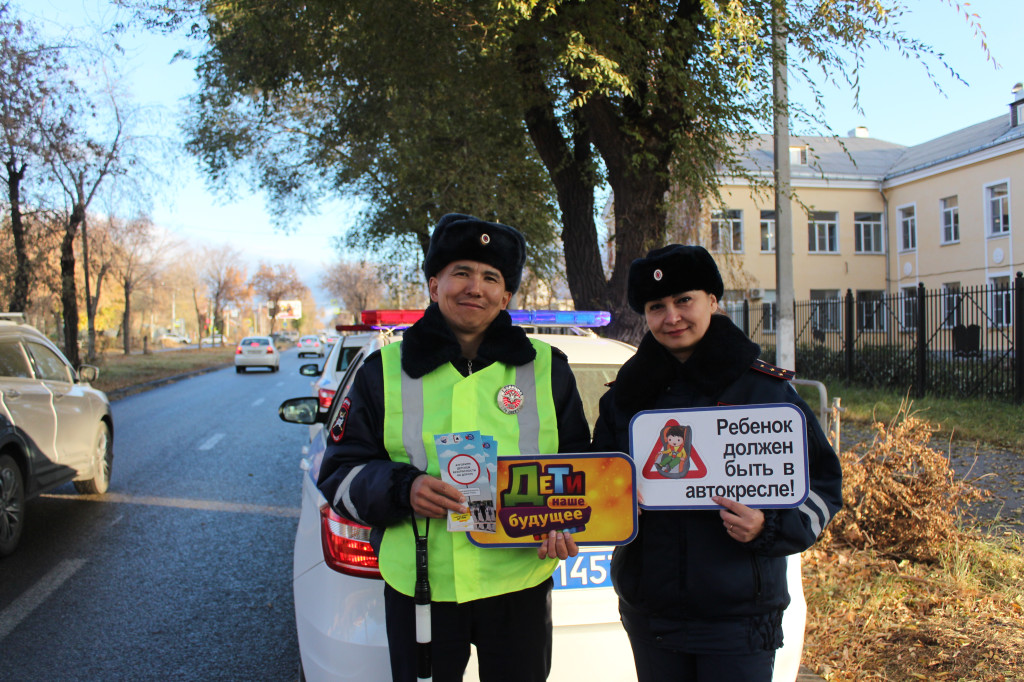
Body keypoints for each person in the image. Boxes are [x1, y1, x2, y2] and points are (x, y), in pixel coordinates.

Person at [317, 213, 591, 682]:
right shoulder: (382, 370)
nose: (475, 287)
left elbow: (578, 470)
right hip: (422, 587)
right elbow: (339, 475)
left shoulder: (549, 368)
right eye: (461, 272)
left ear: (506, 296)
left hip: (519, 583)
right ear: (433, 283)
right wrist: (403, 487)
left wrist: (568, 522)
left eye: (491, 277)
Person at [591, 245, 843, 682]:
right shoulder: (624, 397)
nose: (672, 317)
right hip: (652, 617)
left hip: (739, 621)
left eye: (684, 300)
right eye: (657, 307)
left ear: (712, 301)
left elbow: (823, 486)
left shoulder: (767, 394)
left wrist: (768, 527)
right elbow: (599, 487)